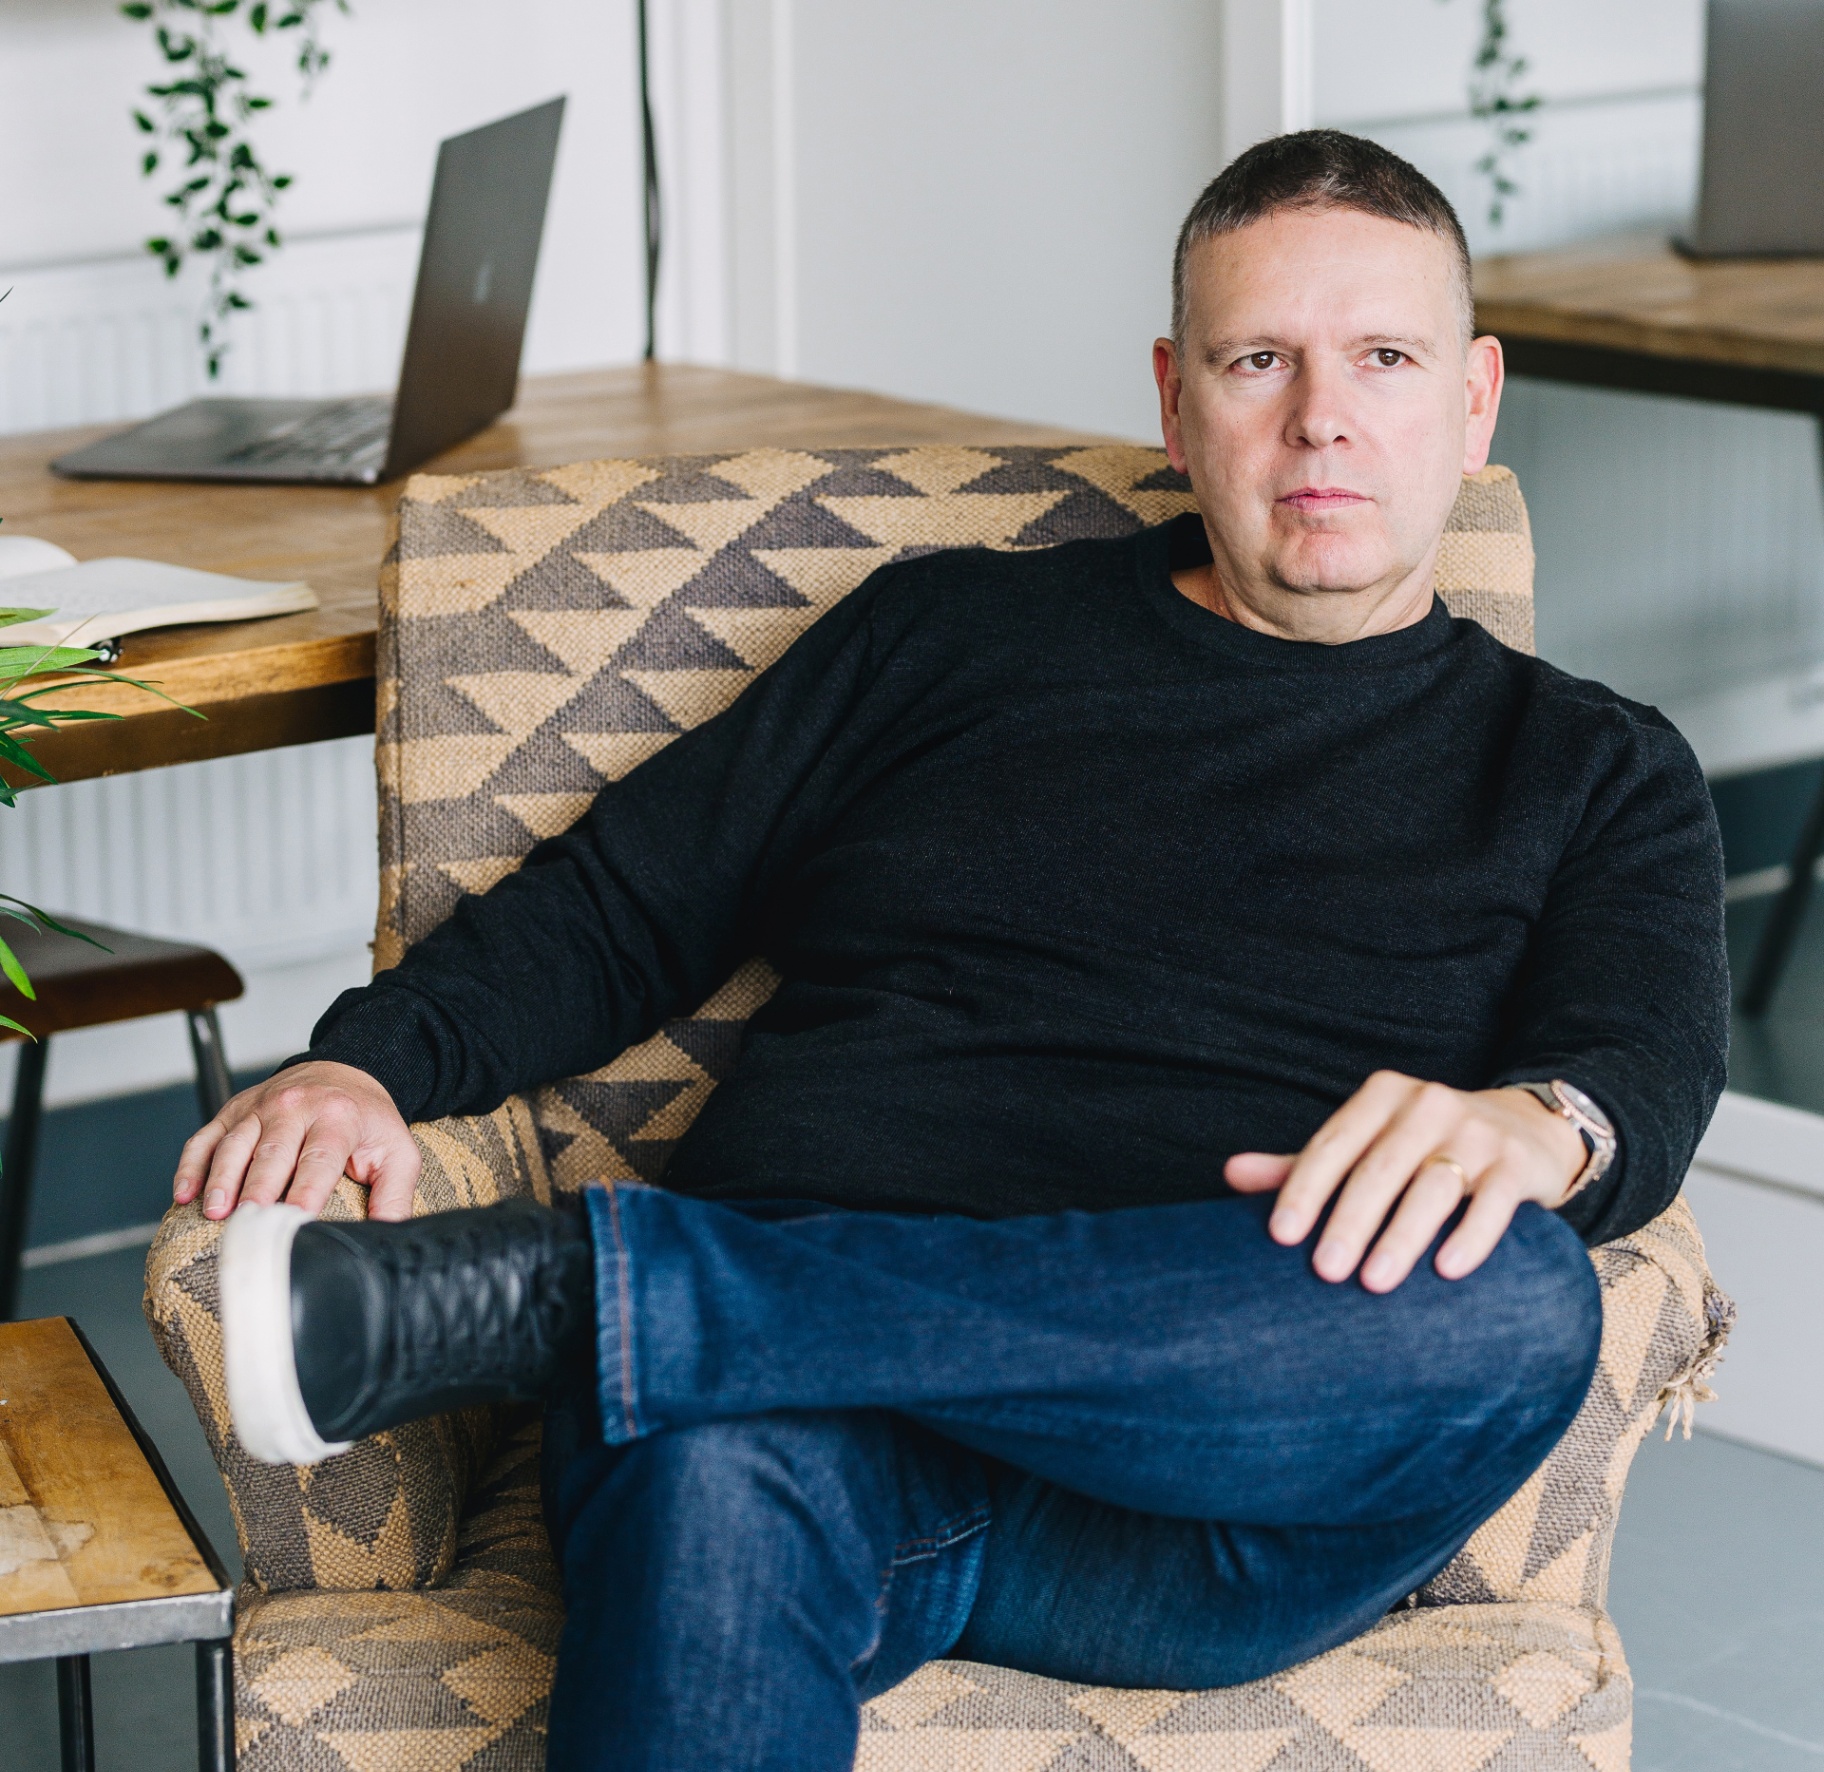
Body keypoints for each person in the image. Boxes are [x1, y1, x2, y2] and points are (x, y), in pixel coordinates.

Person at [181, 131, 1727, 1772]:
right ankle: (673, 1321)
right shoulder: (946, 636)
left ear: (1475, 402)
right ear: (1175, 398)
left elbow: (1642, 1061)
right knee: (702, 1446)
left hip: (1204, 1497)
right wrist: (365, 1064)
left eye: (1387, 360)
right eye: (1258, 360)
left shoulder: (1593, 770)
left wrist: (1543, 1128)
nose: (1321, 417)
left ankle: (592, 1299)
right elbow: (620, 906)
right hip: (784, 1430)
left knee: (1516, 1300)